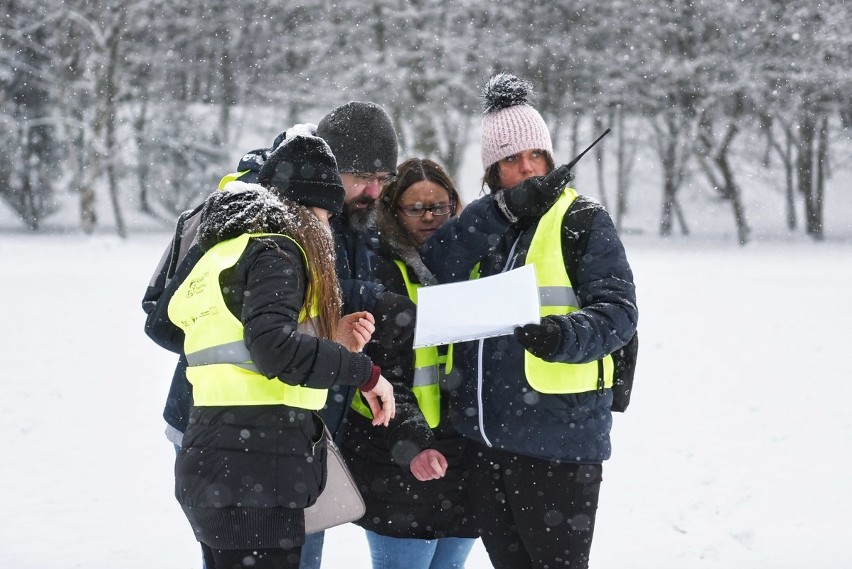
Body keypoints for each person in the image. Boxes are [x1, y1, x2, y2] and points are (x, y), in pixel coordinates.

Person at [141, 103, 411, 568]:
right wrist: (358, 352)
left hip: (268, 434)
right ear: (328, 170)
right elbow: (264, 331)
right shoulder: (270, 221)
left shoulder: (331, 216)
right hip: (247, 434)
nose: (372, 190)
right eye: (362, 175)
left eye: (383, 179)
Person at [420, 73, 638, 568]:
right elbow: (434, 263)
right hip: (487, 441)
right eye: (510, 160)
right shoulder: (486, 223)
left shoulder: (582, 219)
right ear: (493, 170)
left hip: (559, 440)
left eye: (534, 155)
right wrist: (499, 213)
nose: (526, 168)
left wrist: (564, 335)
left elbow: (619, 313)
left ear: (550, 157)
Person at [340, 158, 477, 568]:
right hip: (394, 452)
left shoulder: (473, 264)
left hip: (465, 452)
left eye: (440, 205)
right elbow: (377, 368)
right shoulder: (375, 268)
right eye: (416, 208)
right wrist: (414, 443)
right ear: (392, 210)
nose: (430, 217)